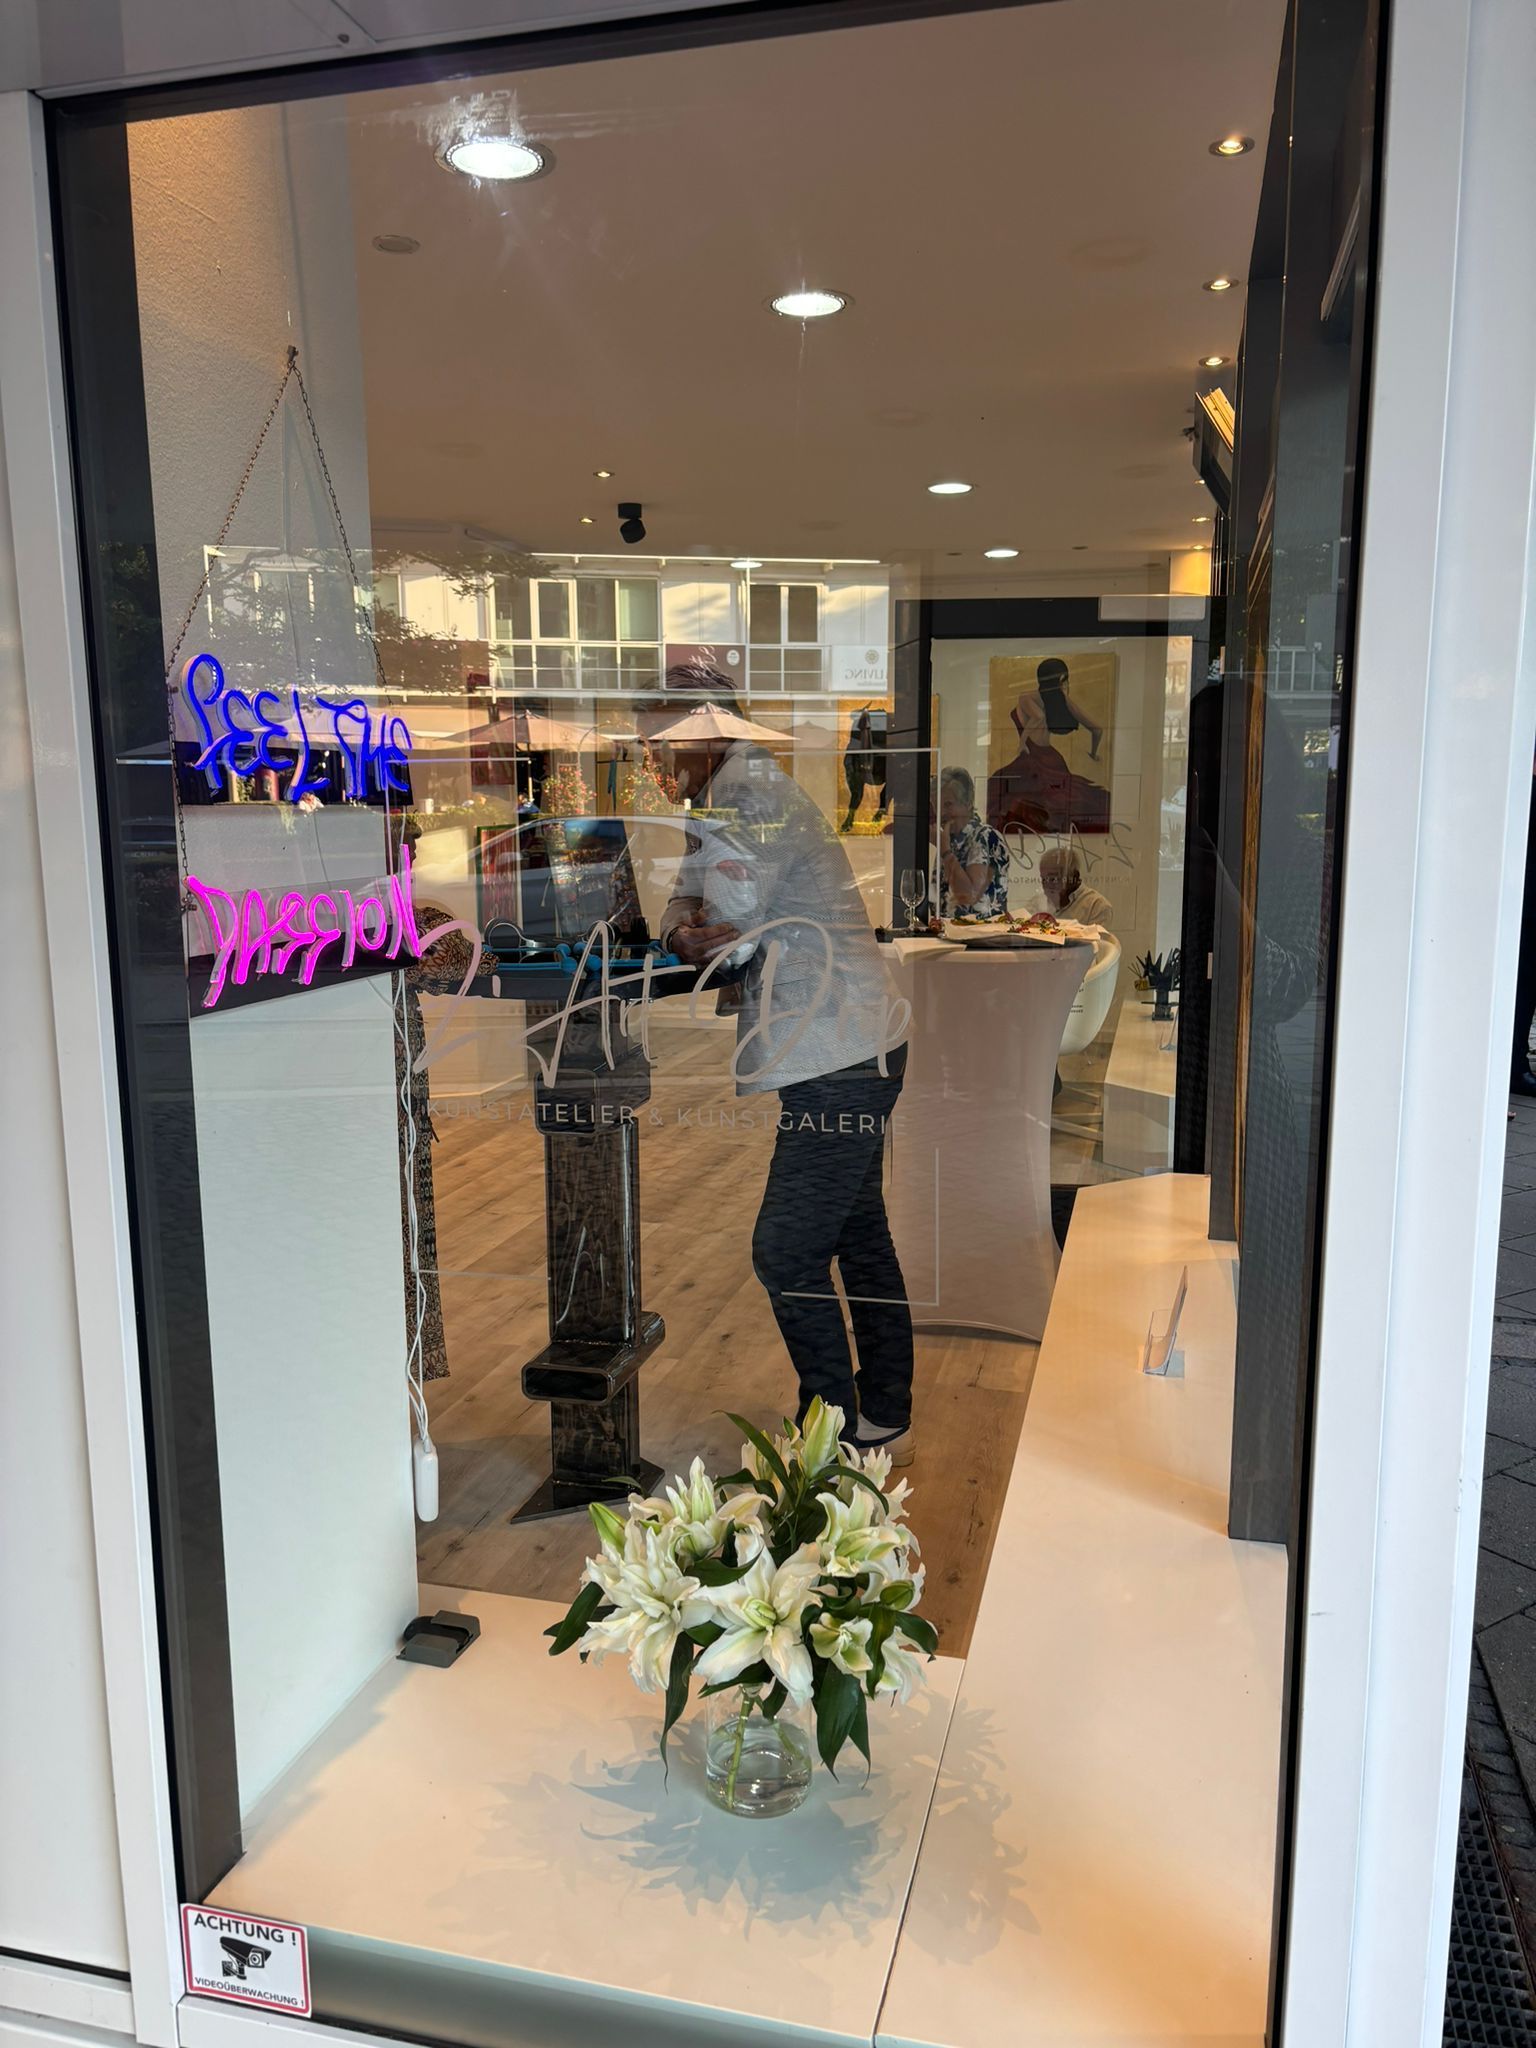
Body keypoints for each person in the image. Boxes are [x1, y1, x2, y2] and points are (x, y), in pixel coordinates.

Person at [658, 674, 916, 1463]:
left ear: (706, 732)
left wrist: (696, 930)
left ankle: (828, 1436)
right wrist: (683, 929)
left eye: (658, 739)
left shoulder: (747, 798)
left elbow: (726, 936)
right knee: (857, 1231)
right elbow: (683, 907)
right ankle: (881, 1411)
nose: (650, 757)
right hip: (852, 1042)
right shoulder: (725, 798)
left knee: (787, 1249)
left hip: (838, 1047)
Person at [936, 764, 1010, 915]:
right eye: (936, 805)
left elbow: (969, 896)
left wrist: (946, 853)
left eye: (948, 804)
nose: (941, 812)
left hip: (981, 930)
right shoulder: (951, 840)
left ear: (968, 803)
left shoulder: (985, 837)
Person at [1033, 656, 1104, 760]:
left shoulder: (1032, 702)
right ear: (1061, 681)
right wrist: (1093, 755)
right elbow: (1098, 731)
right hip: (1061, 761)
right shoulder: (1067, 704)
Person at [1038, 845, 1113, 928]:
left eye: (1053, 879)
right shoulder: (1036, 903)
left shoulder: (1096, 906)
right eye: (1043, 879)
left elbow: (1097, 936)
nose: (1046, 885)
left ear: (1074, 876)